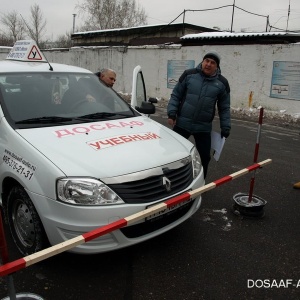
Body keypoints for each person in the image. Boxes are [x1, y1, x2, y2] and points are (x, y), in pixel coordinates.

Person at [167, 51, 231, 179]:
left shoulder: (222, 83)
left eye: (212, 63)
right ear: (202, 62)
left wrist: (226, 126)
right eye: (206, 61)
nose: (208, 64)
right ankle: (173, 181)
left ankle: (200, 182)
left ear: (217, 67)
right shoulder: (189, 75)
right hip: (182, 124)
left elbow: (224, 107)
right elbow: (176, 95)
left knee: (204, 158)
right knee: (174, 154)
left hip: (203, 127)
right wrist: (172, 113)